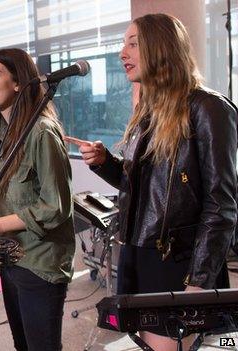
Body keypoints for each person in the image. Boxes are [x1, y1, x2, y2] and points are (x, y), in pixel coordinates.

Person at [66, 13, 237, 351]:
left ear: (161, 48)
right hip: (138, 253)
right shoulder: (149, 112)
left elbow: (222, 205)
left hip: (178, 262)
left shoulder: (208, 108)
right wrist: (106, 164)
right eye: (123, 43)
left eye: (133, 43)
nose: (121, 52)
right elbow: (145, 189)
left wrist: (199, 281)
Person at [0, 48, 75, 351]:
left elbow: (56, 207)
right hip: (11, 259)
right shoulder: (1, 136)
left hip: (39, 263)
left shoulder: (42, 132)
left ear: (18, 82)